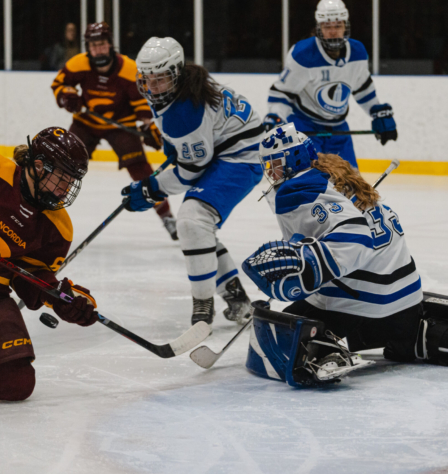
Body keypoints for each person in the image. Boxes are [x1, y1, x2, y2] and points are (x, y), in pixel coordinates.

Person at [240, 123, 448, 387]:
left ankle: (325, 349)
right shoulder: (351, 188)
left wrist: (307, 266)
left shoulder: (301, 191)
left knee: (279, 331)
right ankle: (416, 336)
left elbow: (355, 238)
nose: (271, 172)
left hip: (362, 310)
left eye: (275, 164)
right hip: (407, 305)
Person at [122, 37, 265, 327]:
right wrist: (173, 142)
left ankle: (203, 306)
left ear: (175, 72)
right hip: (226, 150)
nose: (153, 86)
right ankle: (236, 299)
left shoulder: (184, 113)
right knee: (198, 227)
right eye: (147, 78)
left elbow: (189, 173)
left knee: (191, 221)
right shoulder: (185, 84)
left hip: (241, 158)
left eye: (160, 78)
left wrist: (151, 189)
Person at [0, 127, 99, 401]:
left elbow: (29, 276)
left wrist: (62, 299)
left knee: (15, 384)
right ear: (39, 167)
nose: (67, 188)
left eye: (73, 180)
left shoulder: (58, 228)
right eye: (63, 177)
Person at [51, 22, 178, 240]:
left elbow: (142, 103)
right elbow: (60, 84)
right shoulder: (77, 63)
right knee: (61, 166)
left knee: (141, 171)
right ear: (88, 47)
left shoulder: (130, 69)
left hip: (122, 125)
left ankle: (167, 217)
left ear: (110, 44)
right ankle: (45, 214)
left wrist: (149, 127)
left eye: (101, 44)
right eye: (93, 45)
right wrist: (66, 96)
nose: (97, 50)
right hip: (86, 121)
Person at [264, 0, 397, 169]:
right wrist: (275, 117)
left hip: (339, 129)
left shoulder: (358, 53)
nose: (333, 31)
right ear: (319, 28)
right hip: (304, 126)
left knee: (351, 187)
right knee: (309, 184)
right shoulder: (303, 55)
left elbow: (363, 88)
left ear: (345, 26)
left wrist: (376, 111)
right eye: (327, 27)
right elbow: (282, 93)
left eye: (338, 25)